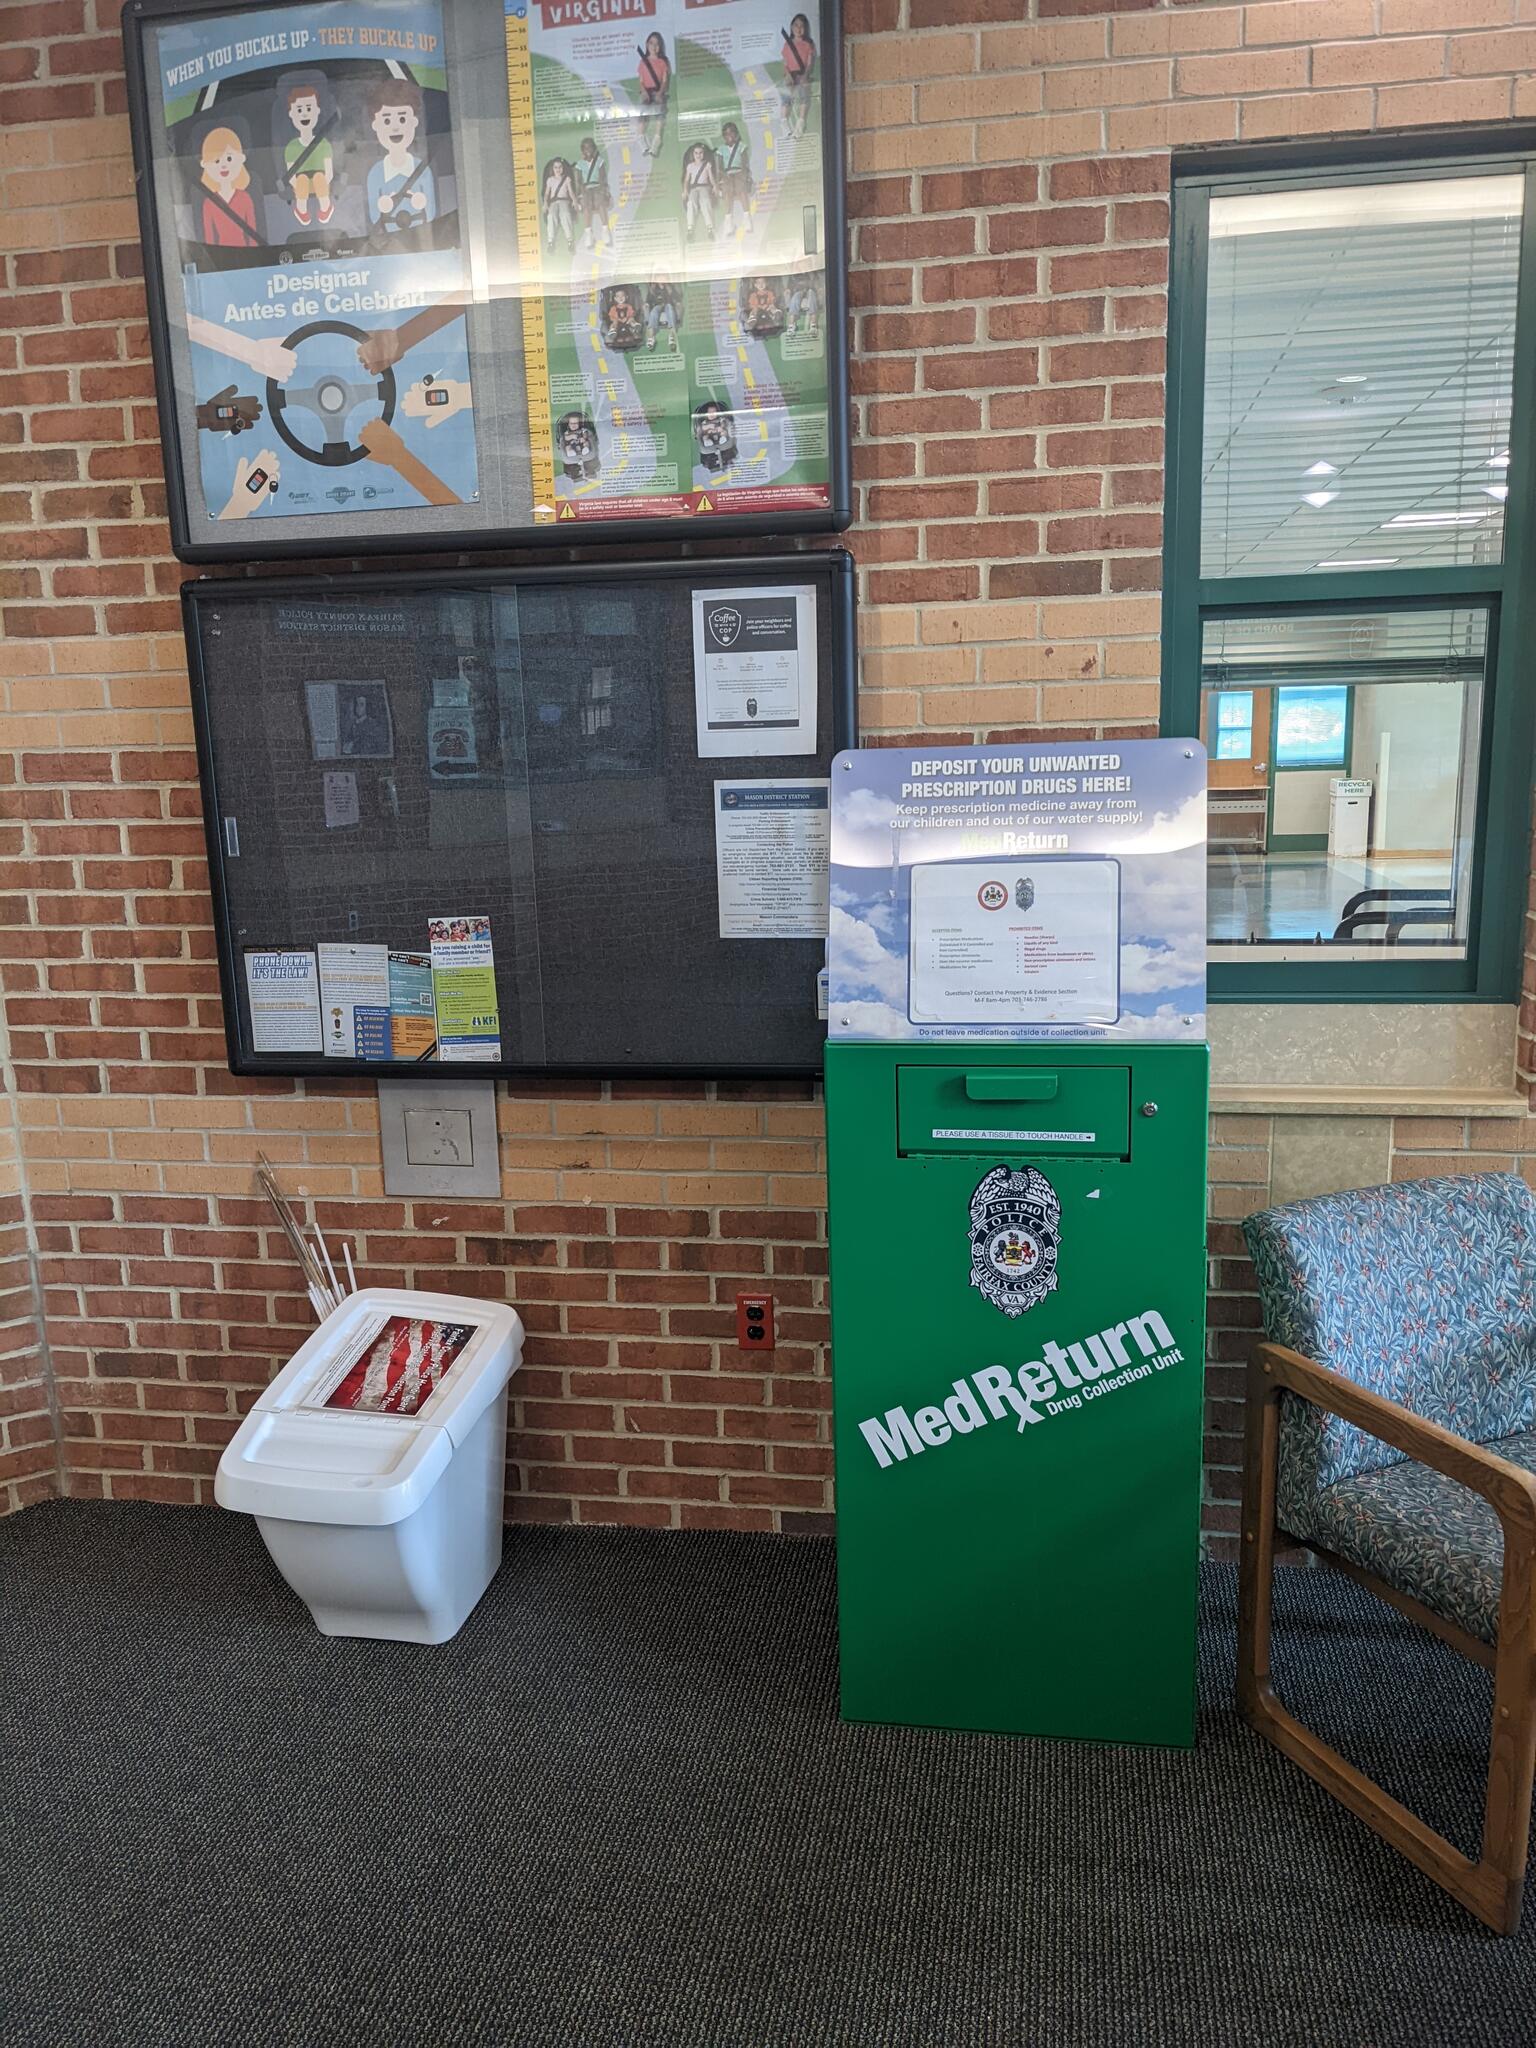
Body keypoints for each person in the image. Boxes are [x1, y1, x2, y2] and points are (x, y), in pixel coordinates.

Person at [366, 81, 435, 235]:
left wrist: (420, 202)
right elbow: (374, 218)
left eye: (402, 119)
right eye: (387, 120)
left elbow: (431, 215)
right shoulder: (375, 174)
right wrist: (384, 205)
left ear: (414, 121)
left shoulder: (423, 170)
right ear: (375, 124)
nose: (395, 127)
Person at [198, 127, 259, 249]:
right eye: (216, 161)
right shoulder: (208, 204)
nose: (223, 165)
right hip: (222, 257)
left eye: (229, 158)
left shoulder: (245, 198)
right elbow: (209, 239)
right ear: (206, 165)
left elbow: (253, 236)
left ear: (240, 160)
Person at [282, 83, 333, 227]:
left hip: (321, 182)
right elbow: (291, 174)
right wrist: (297, 185)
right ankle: (301, 210)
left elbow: (329, 172)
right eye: (299, 109)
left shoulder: (323, 144)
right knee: (302, 179)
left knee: (319, 177)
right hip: (300, 185)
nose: (304, 114)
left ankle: (325, 208)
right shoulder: (291, 147)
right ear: (291, 114)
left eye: (309, 108)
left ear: (317, 111)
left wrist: (323, 182)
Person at [781, 14, 816, 137]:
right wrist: (787, 74)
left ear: (805, 28)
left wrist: (805, 75)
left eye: (802, 26)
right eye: (796, 25)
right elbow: (785, 62)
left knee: (804, 95)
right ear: (791, 27)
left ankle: (801, 122)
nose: (799, 28)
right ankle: (784, 121)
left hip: (802, 74)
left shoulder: (808, 44)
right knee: (786, 94)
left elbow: (809, 62)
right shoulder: (787, 44)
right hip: (790, 74)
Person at [637, 33, 670, 158]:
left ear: (660, 46)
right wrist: (644, 91)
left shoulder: (662, 62)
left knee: (659, 115)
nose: (654, 46)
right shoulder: (643, 62)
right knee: (643, 115)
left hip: (658, 92)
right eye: (651, 43)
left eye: (657, 44)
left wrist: (660, 93)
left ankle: (656, 140)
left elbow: (664, 80)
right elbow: (640, 80)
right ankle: (641, 139)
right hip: (646, 92)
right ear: (647, 44)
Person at [576, 136, 611, 249]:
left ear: (594, 149)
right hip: (586, 188)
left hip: (597, 186)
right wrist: (580, 193)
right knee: (586, 206)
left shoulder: (599, 161)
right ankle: (588, 232)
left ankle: (605, 229)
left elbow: (602, 177)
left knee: (600, 203)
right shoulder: (580, 164)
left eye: (590, 148)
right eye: (585, 148)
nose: (588, 150)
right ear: (582, 150)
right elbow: (579, 181)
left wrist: (604, 189)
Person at [717, 120, 750, 232]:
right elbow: (720, 167)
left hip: (739, 171)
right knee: (727, 191)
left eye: (731, 133)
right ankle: (728, 220)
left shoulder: (741, 146)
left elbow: (744, 163)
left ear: (736, 134)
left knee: (741, 188)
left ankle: (747, 218)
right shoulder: (721, 149)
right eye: (726, 133)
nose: (729, 136)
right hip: (727, 174)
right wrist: (724, 176)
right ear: (723, 136)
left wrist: (744, 174)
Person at [682, 141, 718, 242]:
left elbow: (711, 177)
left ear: (703, 154)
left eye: (700, 153)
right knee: (691, 203)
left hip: (704, 187)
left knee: (705, 201)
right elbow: (686, 180)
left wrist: (714, 186)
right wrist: (685, 190)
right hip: (694, 188)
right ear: (693, 154)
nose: (698, 155)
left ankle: (710, 228)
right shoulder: (690, 166)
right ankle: (690, 228)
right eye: (696, 153)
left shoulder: (707, 165)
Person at [542, 156, 578, 254]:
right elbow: (546, 194)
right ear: (552, 169)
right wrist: (545, 203)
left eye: (560, 167)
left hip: (564, 201)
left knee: (565, 214)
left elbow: (571, 192)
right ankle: (550, 242)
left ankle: (570, 241)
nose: (558, 169)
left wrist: (574, 200)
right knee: (551, 216)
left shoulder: (566, 179)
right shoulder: (550, 179)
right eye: (556, 167)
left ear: (563, 168)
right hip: (553, 202)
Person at [693, 399, 737, 474]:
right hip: (708, 436)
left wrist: (721, 428)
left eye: (714, 412)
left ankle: (723, 439)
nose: (712, 414)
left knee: (724, 432)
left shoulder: (721, 420)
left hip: (720, 435)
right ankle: (707, 442)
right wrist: (708, 427)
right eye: (710, 412)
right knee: (705, 437)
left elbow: (726, 425)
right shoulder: (705, 422)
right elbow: (701, 429)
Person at [556, 410, 600, 481]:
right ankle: (575, 473)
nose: (573, 425)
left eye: (576, 423)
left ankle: (590, 469)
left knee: (587, 444)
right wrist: (572, 436)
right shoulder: (567, 432)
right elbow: (564, 438)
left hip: (582, 446)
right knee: (568, 448)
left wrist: (584, 438)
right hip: (572, 446)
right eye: (571, 423)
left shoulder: (582, 430)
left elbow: (587, 435)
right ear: (568, 425)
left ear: (579, 424)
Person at [645, 278, 679, 353]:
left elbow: (675, 297)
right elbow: (648, 300)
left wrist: (668, 288)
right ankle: (651, 337)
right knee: (654, 311)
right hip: (657, 305)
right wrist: (652, 292)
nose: (661, 279)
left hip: (668, 304)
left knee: (669, 308)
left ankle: (671, 335)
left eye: (664, 277)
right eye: (659, 277)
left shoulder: (669, 287)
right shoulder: (653, 288)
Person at [787, 272, 820, 338]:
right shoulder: (793, 276)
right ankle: (791, 325)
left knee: (811, 293)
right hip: (798, 292)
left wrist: (818, 289)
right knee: (796, 296)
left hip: (811, 292)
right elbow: (790, 288)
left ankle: (813, 325)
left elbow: (817, 285)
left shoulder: (812, 274)